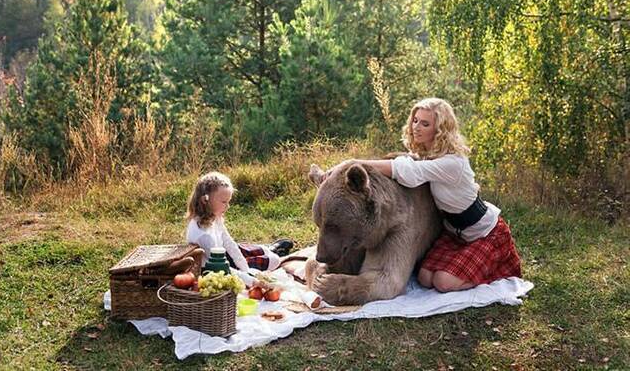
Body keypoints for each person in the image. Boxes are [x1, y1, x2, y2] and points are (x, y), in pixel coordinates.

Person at [321, 97, 521, 292]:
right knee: (425, 279)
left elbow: (410, 172)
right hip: (452, 234)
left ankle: (491, 273)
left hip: (482, 233)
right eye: (415, 121)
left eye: (425, 123)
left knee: (443, 283)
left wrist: (351, 163)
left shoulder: (453, 163)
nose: (416, 127)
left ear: (440, 129)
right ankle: (464, 272)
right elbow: (409, 162)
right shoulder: (428, 156)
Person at [185, 171, 294, 272]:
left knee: (252, 249)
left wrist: (245, 267)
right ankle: (275, 252)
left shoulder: (214, 216)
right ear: (205, 200)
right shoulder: (204, 236)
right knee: (274, 260)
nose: (227, 206)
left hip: (223, 251)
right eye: (224, 202)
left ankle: (269, 248)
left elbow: (229, 243)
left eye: (228, 202)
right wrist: (248, 274)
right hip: (220, 264)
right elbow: (222, 268)